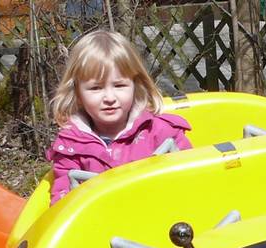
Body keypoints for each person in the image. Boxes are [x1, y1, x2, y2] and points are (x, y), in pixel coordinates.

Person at [47, 31, 192, 205]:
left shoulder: (162, 132)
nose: (109, 98)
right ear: (77, 94)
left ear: (135, 86)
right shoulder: (71, 147)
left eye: (119, 85)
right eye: (96, 88)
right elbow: (62, 203)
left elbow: (194, 180)